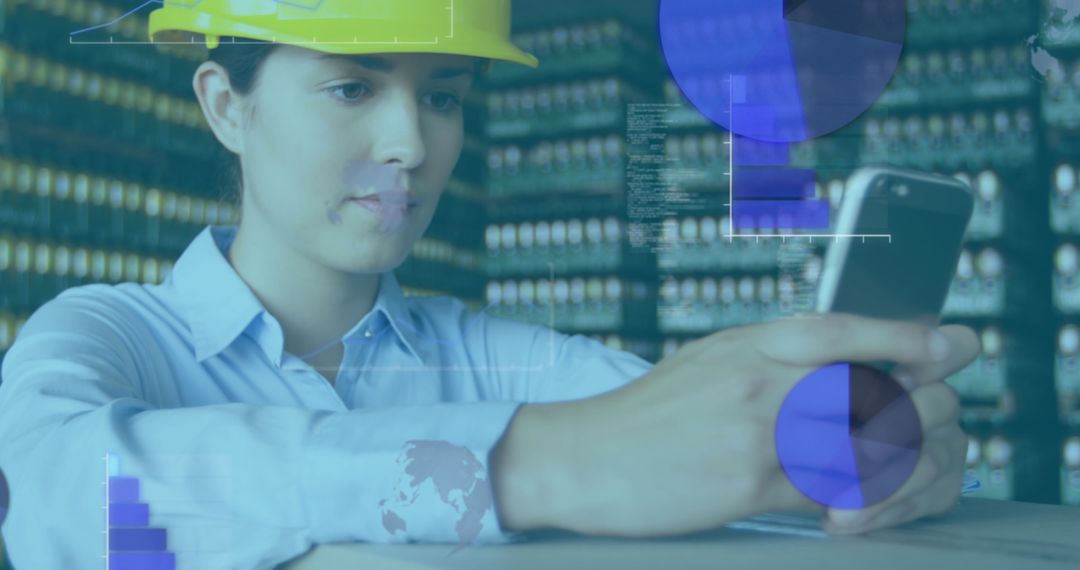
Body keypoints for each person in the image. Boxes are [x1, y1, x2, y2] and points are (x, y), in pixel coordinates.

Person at [0, 1, 980, 568]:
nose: (412, 145)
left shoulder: (498, 359)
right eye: (354, 87)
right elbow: (47, 495)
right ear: (226, 106)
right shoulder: (109, 337)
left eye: (443, 98)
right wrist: (527, 465)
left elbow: (706, 441)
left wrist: (859, 448)